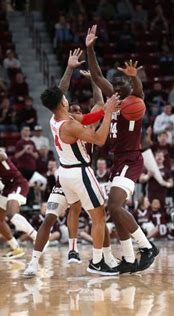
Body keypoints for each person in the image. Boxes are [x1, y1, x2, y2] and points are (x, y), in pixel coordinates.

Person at [86, 25, 159, 273]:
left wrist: (135, 76)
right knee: (114, 211)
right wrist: (90, 48)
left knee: (116, 206)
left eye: (123, 82)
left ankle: (146, 247)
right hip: (118, 161)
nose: (118, 84)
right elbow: (96, 77)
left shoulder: (135, 103)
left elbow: (138, 90)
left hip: (131, 160)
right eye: (117, 83)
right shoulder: (114, 101)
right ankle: (128, 258)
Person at [34, 85, 120, 276]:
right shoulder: (70, 125)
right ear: (62, 102)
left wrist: (104, 109)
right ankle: (98, 262)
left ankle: (101, 257)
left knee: (85, 212)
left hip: (65, 173)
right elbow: (99, 139)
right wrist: (109, 115)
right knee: (98, 217)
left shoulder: (55, 119)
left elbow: (87, 118)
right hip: (80, 172)